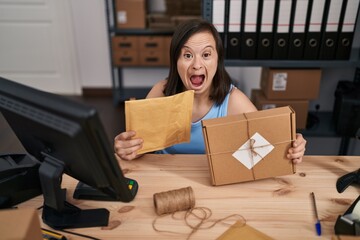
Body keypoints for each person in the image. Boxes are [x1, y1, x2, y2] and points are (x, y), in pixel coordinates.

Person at [114, 19, 306, 163]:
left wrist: (292, 147)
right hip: (165, 180)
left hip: (213, 185)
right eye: (187, 55)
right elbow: (139, 149)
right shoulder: (161, 92)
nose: (197, 64)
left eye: (206, 55)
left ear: (217, 60)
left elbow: (270, 146)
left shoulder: (234, 101)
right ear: (175, 62)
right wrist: (126, 148)